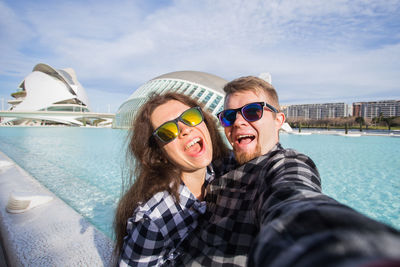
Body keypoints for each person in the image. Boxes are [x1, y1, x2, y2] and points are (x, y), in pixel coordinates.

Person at [183, 76, 400, 266]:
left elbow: (295, 201)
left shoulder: (284, 165)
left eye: (252, 112)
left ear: (278, 121)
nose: (238, 122)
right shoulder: (217, 163)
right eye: (229, 116)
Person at [113, 92, 229, 266]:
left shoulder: (224, 170)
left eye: (191, 116)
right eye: (168, 131)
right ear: (160, 154)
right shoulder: (154, 220)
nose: (185, 129)